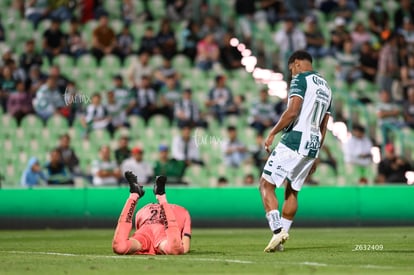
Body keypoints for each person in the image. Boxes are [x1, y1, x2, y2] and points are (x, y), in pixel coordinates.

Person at [259, 50, 332, 252]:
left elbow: (292, 111)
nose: (291, 73)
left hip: (295, 139)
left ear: (297, 63)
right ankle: (281, 241)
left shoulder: (301, 79)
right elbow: (324, 124)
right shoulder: (327, 87)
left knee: (266, 184)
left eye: (291, 68)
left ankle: (277, 231)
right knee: (292, 190)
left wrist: (273, 133)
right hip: (313, 144)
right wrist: (316, 154)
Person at [112, 172, 191, 255]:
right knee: (119, 248)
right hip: (158, 238)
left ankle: (134, 195)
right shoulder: (183, 211)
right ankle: (160, 197)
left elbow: (184, 247)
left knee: (119, 247)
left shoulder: (143, 209)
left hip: (159, 238)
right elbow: (185, 247)